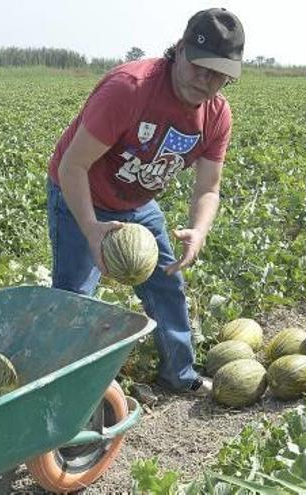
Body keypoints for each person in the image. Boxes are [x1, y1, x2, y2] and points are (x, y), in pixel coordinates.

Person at [46, 8, 244, 396]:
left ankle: (179, 375)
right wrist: (91, 230)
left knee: (167, 284)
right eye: (200, 67)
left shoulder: (217, 114)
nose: (206, 81)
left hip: (136, 201)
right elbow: (74, 165)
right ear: (180, 49)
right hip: (81, 191)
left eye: (219, 74)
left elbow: (207, 188)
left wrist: (199, 232)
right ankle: (65, 394)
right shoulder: (130, 89)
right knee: (75, 299)